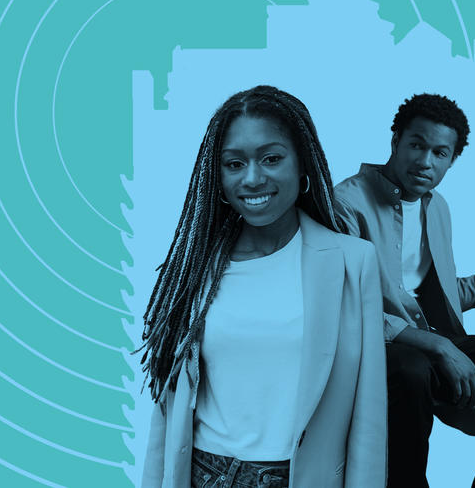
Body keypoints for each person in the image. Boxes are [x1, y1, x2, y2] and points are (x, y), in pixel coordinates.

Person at [139, 85, 386, 488]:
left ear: (302, 163)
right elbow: (166, 417)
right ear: (217, 176)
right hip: (206, 476)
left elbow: (369, 421)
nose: (252, 179)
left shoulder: (352, 262)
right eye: (234, 164)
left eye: (271, 159)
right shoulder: (193, 270)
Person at [334, 93, 475, 488]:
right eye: (416, 145)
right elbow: (345, 304)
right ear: (395, 142)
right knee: (412, 368)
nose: (425, 161)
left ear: (452, 160)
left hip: (425, 345)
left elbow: (437, 293)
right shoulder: (346, 203)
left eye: (440, 153)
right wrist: (439, 347)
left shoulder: (435, 207)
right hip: (370, 352)